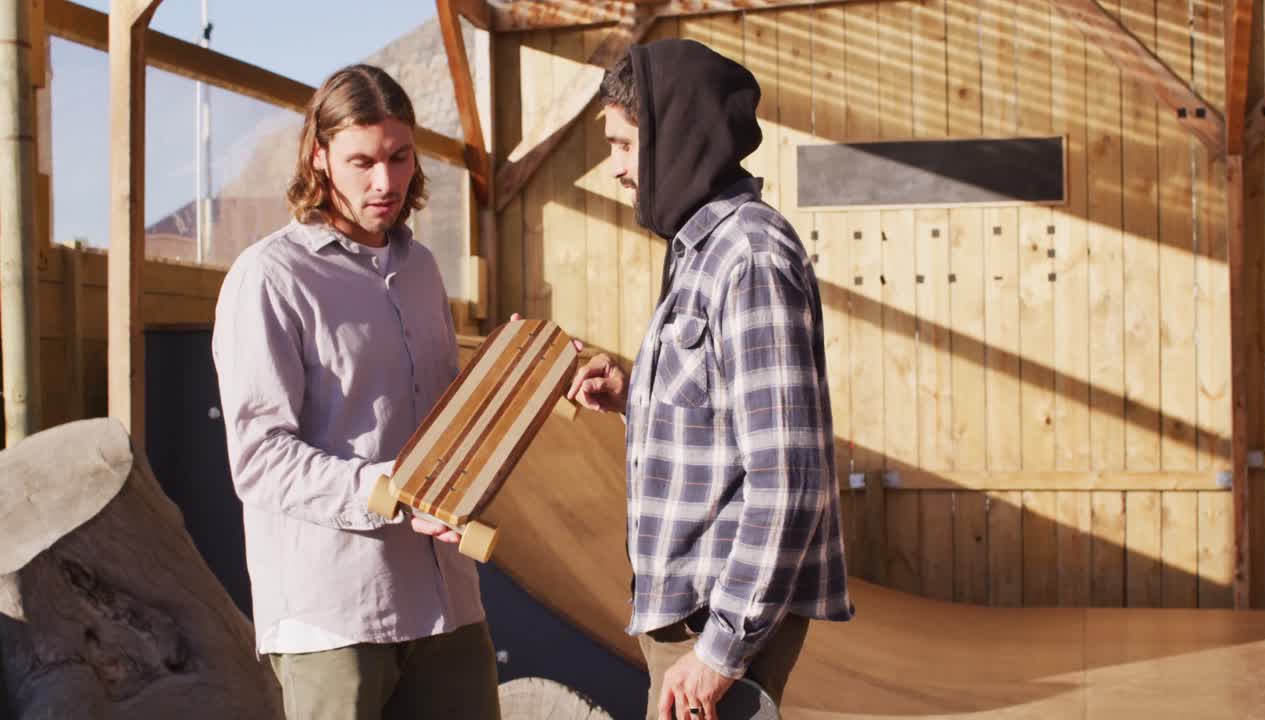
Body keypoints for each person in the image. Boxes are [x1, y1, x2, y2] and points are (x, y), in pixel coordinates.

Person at [567, 39, 854, 720]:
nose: (615, 171)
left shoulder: (748, 256)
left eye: (623, 145)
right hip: (689, 610)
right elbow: (723, 422)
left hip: (715, 614)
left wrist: (722, 649)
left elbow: (791, 474)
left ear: (675, 138)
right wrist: (635, 395)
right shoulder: (700, 251)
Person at [212, 64, 499, 720]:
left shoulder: (422, 268)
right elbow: (259, 459)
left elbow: (440, 414)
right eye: (362, 161)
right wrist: (387, 487)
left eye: (400, 158)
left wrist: (502, 388)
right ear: (318, 157)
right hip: (334, 613)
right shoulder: (270, 279)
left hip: (447, 603)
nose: (386, 181)